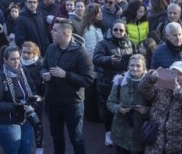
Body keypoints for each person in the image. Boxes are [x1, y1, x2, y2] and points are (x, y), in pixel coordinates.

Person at [41, 18, 94, 154]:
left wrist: (66, 75)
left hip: (72, 104)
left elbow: (88, 80)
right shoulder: (51, 48)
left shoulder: (81, 53)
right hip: (53, 102)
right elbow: (43, 66)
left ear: (66, 33)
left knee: (76, 138)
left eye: (55, 30)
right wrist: (44, 74)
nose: (51, 32)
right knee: (56, 137)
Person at [139, 61, 182, 154]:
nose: (176, 76)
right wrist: (150, 77)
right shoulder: (161, 86)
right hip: (157, 142)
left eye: (180, 74)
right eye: (173, 73)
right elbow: (143, 90)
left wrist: (180, 92)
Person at [93, 19, 136, 147]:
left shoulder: (130, 43)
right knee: (109, 108)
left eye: (121, 30)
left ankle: (121, 132)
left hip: (126, 81)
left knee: (124, 107)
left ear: (125, 31)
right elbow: (96, 59)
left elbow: (136, 57)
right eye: (115, 29)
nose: (118, 32)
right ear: (111, 30)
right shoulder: (103, 44)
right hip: (107, 82)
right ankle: (108, 132)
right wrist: (109, 59)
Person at [0, 46, 38, 154]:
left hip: (25, 118)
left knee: (26, 151)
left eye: (18, 58)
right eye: (13, 59)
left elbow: (32, 88)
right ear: (5, 60)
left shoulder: (23, 70)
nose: (16, 62)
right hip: (7, 122)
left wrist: (33, 101)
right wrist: (16, 107)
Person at [106, 54, 149, 154]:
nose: (135, 68)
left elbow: (157, 108)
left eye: (138, 66)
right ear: (128, 66)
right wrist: (119, 109)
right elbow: (110, 102)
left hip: (141, 131)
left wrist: (146, 110)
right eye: (132, 65)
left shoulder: (150, 85)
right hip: (121, 130)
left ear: (144, 68)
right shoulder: (119, 81)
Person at [21, 42, 45, 154]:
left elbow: (44, 84)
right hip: (22, 98)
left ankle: (39, 146)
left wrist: (41, 96)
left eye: (28, 53)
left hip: (36, 99)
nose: (25, 55)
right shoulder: (18, 62)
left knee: (37, 123)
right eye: (24, 52)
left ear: (34, 53)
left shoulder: (41, 64)